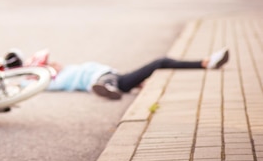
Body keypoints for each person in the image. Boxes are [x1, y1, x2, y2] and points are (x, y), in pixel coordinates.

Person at [40, 47, 229, 100]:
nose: (56, 64)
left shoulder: (71, 68)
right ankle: (206, 63)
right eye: (51, 65)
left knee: (160, 62)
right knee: (160, 61)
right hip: (103, 79)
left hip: (117, 77)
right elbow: (38, 85)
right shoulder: (58, 79)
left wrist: (136, 83)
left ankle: (110, 86)